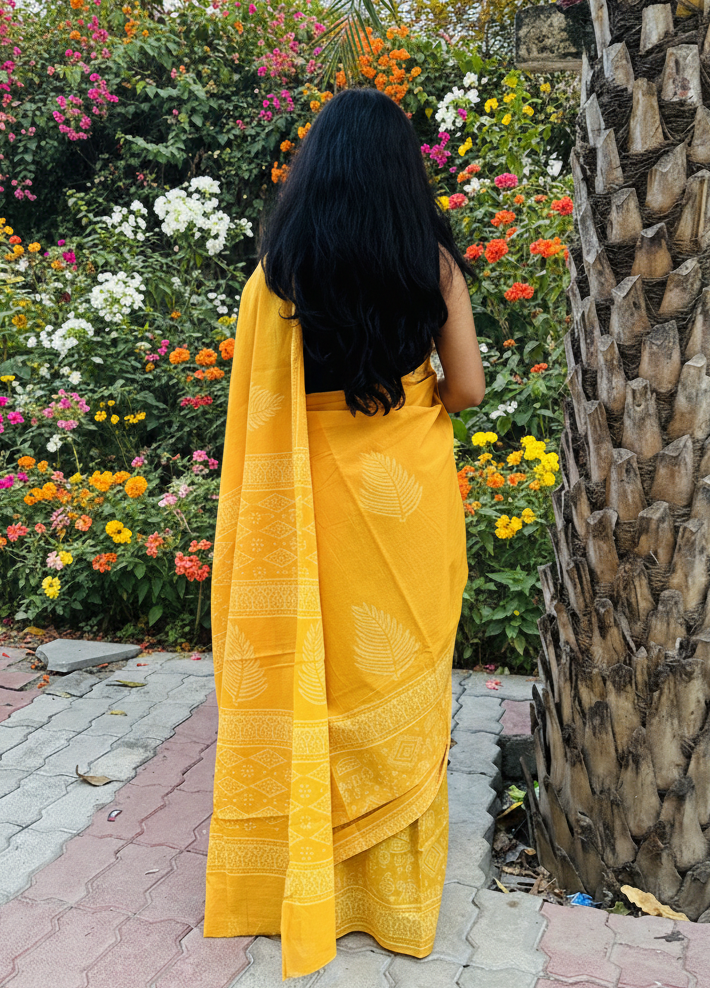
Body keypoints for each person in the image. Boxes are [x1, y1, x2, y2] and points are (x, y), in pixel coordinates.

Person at [204, 87, 485, 979]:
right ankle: (388, 897)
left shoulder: (277, 277)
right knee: (400, 668)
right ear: (402, 173)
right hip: (403, 505)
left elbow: (257, 405)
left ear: (315, 169)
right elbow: (467, 388)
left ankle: (305, 876)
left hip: (309, 507)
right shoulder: (431, 265)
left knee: (317, 679)